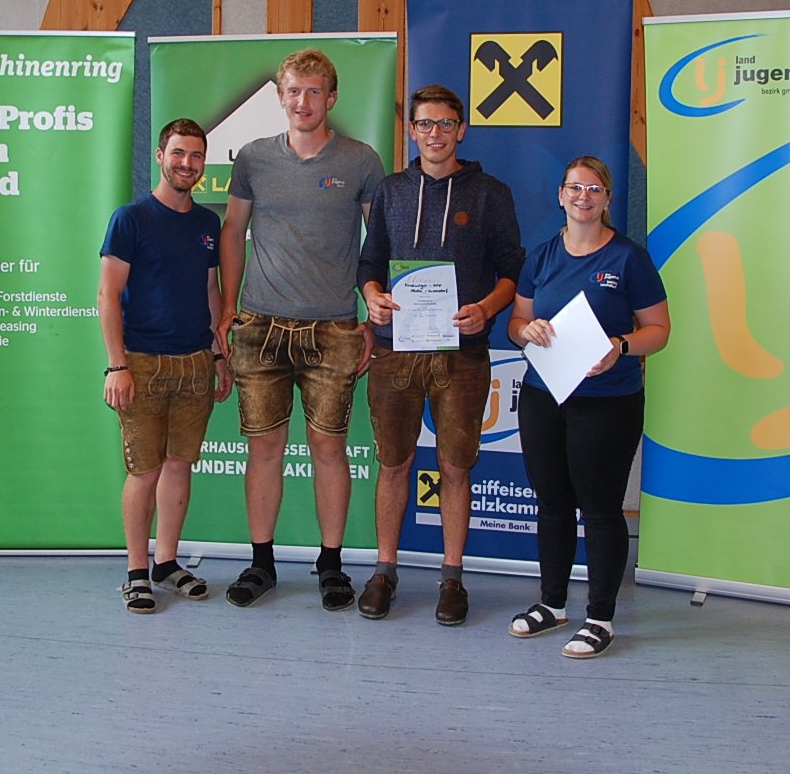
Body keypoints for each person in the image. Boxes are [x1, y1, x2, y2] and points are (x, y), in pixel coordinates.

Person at [215, 48, 384, 610]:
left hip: (333, 330)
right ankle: (261, 562)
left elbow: (378, 245)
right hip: (260, 327)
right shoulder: (254, 159)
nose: (303, 101)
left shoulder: (361, 160)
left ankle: (331, 565)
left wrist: (371, 318)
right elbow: (232, 232)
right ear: (281, 97)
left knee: (328, 448)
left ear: (331, 98)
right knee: (264, 449)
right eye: (293, 91)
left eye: (314, 91)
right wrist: (228, 308)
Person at [355, 84, 524, 626]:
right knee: (393, 464)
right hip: (395, 352)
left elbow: (511, 269)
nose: (435, 134)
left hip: (463, 352)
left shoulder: (490, 193)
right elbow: (369, 264)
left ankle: (452, 577)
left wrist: (487, 308)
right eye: (425, 124)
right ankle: (384, 571)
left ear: (461, 130)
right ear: (412, 130)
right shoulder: (391, 190)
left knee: (455, 466)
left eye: (446, 124)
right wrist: (373, 296)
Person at [506, 156, 670, 657]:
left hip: (608, 402)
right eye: (575, 188)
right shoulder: (541, 256)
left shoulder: (628, 259)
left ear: (607, 199)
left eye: (594, 189)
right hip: (543, 396)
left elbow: (659, 331)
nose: (583, 197)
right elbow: (516, 324)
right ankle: (552, 605)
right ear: (560, 195)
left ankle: (600, 617)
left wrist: (620, 346)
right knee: (552, 504)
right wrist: (527, 331)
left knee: (600, 510)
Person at [98, 118, 233, 614]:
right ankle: (137, 572)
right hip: (142, 365)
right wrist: (117, 366)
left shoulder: (207, 225)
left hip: (196, 363)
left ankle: (167, 564)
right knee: (144, 471)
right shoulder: (130, 219)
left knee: (179, 464)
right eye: (178, 153)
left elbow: (211, 289)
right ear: (160, 156)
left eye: (196, 156)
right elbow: (107, 295)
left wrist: (218, 354)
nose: (187, 164)